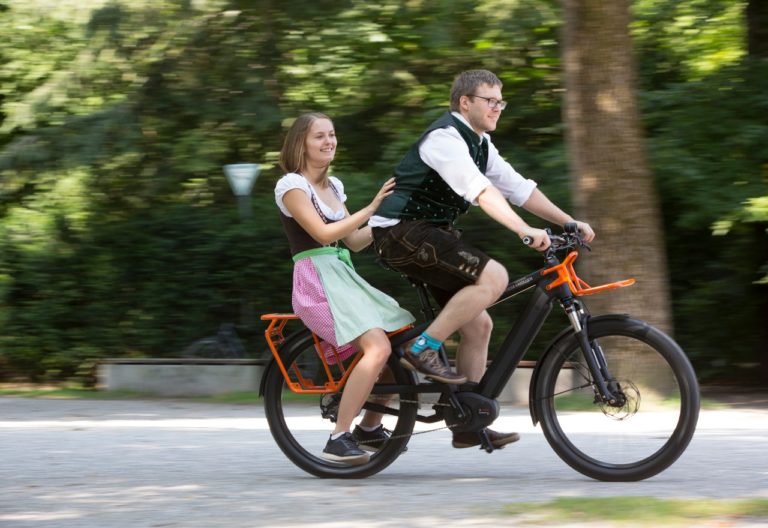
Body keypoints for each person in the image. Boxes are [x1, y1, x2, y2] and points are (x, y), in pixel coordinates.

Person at [370, 69, 595, 450]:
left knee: (479, 326)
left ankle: (465, 421)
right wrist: (523, 230)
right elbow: (482, 192)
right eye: (490, 101)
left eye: (500, 102)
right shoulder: (444, 138)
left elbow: (519, 188)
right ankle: (421, 349)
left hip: (430, 234)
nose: (498, 108)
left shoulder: (480, 143)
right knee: (495, 277)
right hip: (401, 232)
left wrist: (568, 221)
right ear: (465, 102)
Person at [275, 112, 415, 465]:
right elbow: (324, 235)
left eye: (332, 134)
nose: (329, 141)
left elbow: (353, 241)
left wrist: (390, 219)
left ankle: (369, 427)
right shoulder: (292, 186)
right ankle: (339, 436)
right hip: (315, 278)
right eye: (319, 136)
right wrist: (371, 207)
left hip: (341, 274)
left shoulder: (333, 187)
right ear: (301, 144)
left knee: (403, 341)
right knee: (377, 347)